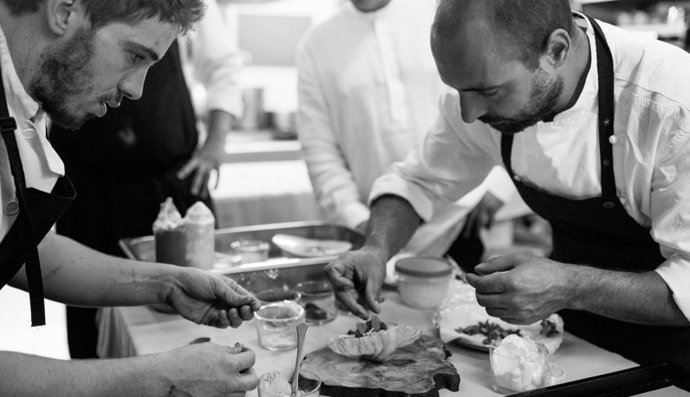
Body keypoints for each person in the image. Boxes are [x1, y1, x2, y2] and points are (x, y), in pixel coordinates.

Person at [325, 0, 690, 368]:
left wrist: (569, 285)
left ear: (556, 50)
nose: (470, 114)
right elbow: (418, 181)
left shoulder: (672, 105)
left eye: (490, 92)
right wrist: (376, 249)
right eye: (459, 91)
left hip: (676, 355)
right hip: (576, 342)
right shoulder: (480, 86)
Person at [0, 0, 259, 394]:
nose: (136, 90)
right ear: (63, 10)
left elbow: (22, 247)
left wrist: (168, 283)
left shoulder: (20, 99)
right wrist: (159, 376)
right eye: (134, 55)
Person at [49, 0, 242, 359]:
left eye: (146, 60)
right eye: (134, 55)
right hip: (89, 191)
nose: (134, 89)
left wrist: (215, 143)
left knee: (186, 327)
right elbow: (38, 260)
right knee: (90, 329)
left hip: (169, 183)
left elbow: (224, 65)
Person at [296, 0, 521, 268]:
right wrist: (360, 222)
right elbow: (320, 152)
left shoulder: (439, 12)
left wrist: (501, 183)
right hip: (378, 227)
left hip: (464, 214)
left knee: (470, 307)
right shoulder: (316, 45)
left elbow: (499, 91)